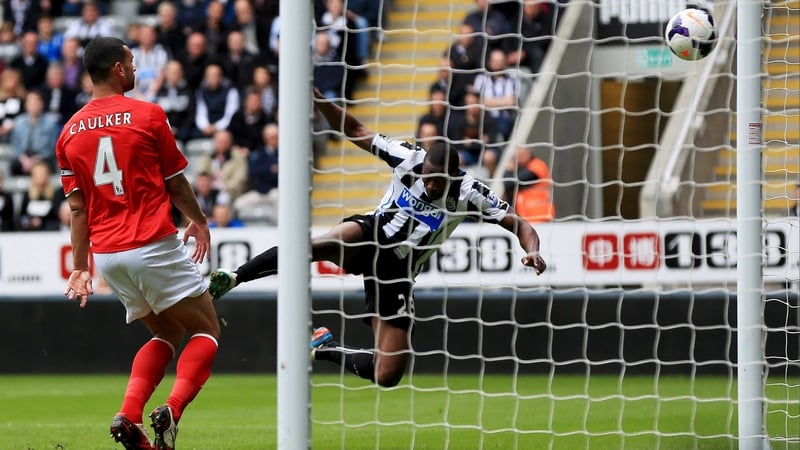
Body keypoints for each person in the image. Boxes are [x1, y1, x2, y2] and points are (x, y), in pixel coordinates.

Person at [208, 87, 547, 387]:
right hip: (371, 235)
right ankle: (236, 276)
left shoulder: (470, 192)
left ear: (452, 176)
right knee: (320, 245)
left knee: (388, 374)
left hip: (399, 270)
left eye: (437, 182)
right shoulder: (407, 158)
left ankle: (324, 348)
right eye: (427, 178)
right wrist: (319, 101)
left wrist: (533, 251)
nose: (430, 186)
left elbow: (520, 224)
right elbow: (355, 129)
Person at [56, 37, 220, 450]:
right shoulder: (147, 115)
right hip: (152, 242)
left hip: (109, 256)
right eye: (131, 61)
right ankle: (172, 410)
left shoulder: (69, 133)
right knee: (206, 329)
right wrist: (198, 221)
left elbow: (78, 211)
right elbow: (176, 182)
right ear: (116, 68)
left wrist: (80, 267)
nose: (135, 68)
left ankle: (129, 416)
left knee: (166, 334)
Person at [10, 90, 61, 175]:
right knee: (14, 164)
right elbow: (15, 144)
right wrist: (24, 159)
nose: (34, 105)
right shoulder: (18, 122)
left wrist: (35, 160)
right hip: (23, 157)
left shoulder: (50, 123)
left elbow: (52, 148)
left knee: (49, 163)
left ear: (42, 104)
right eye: (31, 102)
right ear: (26, 105)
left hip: (43, 157)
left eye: (37, 102)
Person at [501, 145, 555, 223]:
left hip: (541, 216)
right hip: (527, 217)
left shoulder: (537, 166)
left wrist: (509, 169)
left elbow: (510, 183)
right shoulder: (522, 168)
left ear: (529, 154)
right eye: (517, 156)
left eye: (521, 155)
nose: (518, 159)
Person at [18, 161, 65, 231]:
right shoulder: (27, 195)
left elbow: (58, 216)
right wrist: (30, 221)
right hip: (30, 232)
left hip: (50, 231)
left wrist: (42, 221)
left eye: (42, 175)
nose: (40, 178)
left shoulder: (55, 194)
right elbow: (22, 216)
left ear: (47, 176)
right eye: (37, 175)